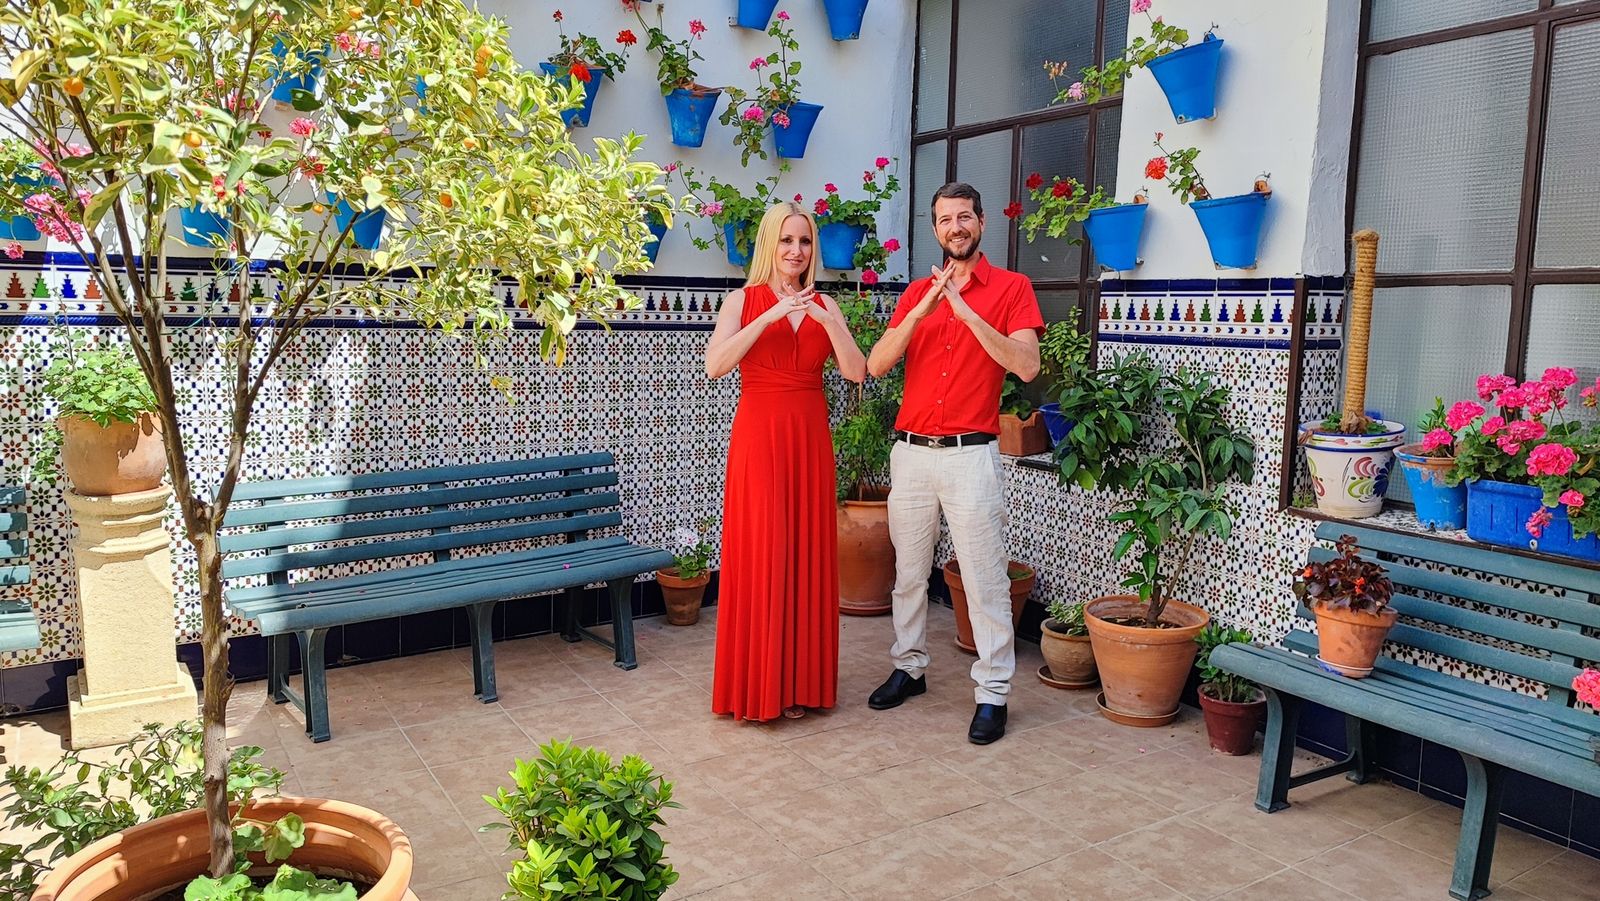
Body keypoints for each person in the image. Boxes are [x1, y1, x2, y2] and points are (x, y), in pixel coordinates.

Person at [864, 182, 1043, 745]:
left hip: (971, 456)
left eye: (964, 217)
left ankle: (993, 693)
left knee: (985, 578)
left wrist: (966, 313)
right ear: (935, 229)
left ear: (981, 223)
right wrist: (922, 310)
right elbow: (876, 364)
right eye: (945, 220)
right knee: (908, 573)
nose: (955, 228)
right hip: (912, 453)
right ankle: (909, 667)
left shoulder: (1012, 288)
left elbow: (1027, 366)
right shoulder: (918, 292)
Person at [707, 202, 867, 722]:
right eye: (786, 240)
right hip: (759, 439)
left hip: (809, 439)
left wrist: (827, 320)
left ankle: (800, 684)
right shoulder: (741, 300)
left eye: (804, 241)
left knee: (805, 551)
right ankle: (759, 686)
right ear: (769, 244)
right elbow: (716, 365)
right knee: (764, 548)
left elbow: (856, 371)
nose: (796, 251)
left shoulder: (826, 304)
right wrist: (771, 316)